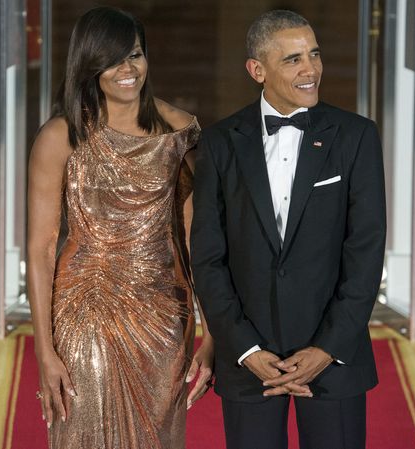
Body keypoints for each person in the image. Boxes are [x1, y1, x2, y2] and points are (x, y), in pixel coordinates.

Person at [191, 9, 386, 449]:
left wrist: (327, 348)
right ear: (257, 70)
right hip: (249, 359)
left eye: (313, 55)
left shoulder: (355, 136)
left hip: (334, 356)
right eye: (293, 59)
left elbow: (367, 250)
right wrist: (244, 348)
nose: (310, 69)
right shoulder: (220, 143)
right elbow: (207, 255)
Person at [27, 7, 213, 448]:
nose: (127, 70)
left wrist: (213, 332)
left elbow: (193, 238)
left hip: (163, 318)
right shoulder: (61, 136)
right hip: (84, 315)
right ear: (89, 65)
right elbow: (40, 247)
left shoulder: (179, 131)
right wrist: (43, 349)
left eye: (134, 55)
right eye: (112, 59)